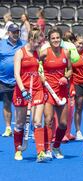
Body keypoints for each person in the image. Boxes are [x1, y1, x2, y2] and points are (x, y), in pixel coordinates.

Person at [12, 27, 46, 162]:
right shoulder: (20, 53)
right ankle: (18, 150)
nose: (40, 44)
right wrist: (24, 90)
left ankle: (40, 152)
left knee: (37, 122)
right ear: (31, 40)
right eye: (38, 42)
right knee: (20, 122)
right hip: (22, 90)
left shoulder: (38, 53)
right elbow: (16, 74)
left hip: (37, 89)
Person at [40, 27, 72, 160]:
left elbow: (70, 70)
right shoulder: (44, 53)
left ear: (61, 39)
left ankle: (56, 146)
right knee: (48, 120)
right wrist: (40, 75)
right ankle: (47, 148)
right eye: (53, 38)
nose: (56, 40)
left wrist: (66, 77)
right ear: (49, 40)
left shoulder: (66, 52)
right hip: (48, 89)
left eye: (57, 38)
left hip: (62, 91)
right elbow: (34, 65)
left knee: (63, 124)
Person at [0, 24, 26, 137]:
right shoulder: (1, 44)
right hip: (4, 80)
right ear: (8, 33)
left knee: (20, 105)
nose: (16, 34)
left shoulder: (24, 44)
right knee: (6, 104)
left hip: (20, 80)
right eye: (13, 32)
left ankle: (19, 127)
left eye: (17, 32)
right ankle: (8, 127)